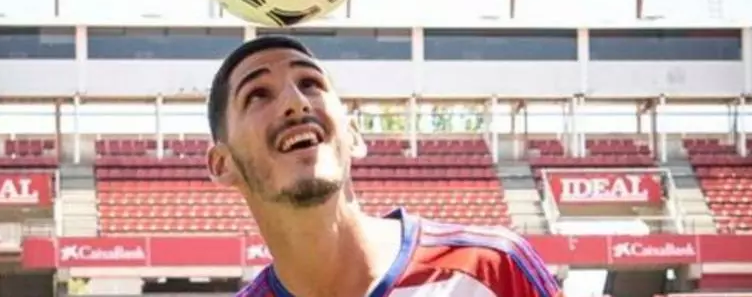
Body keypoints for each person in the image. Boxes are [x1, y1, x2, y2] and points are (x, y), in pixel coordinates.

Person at [206, 35, 563, 297]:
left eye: (310, 84)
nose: (296, 101)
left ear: (353, 135)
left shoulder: (493, 267)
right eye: (257, 94)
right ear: (222, 164)